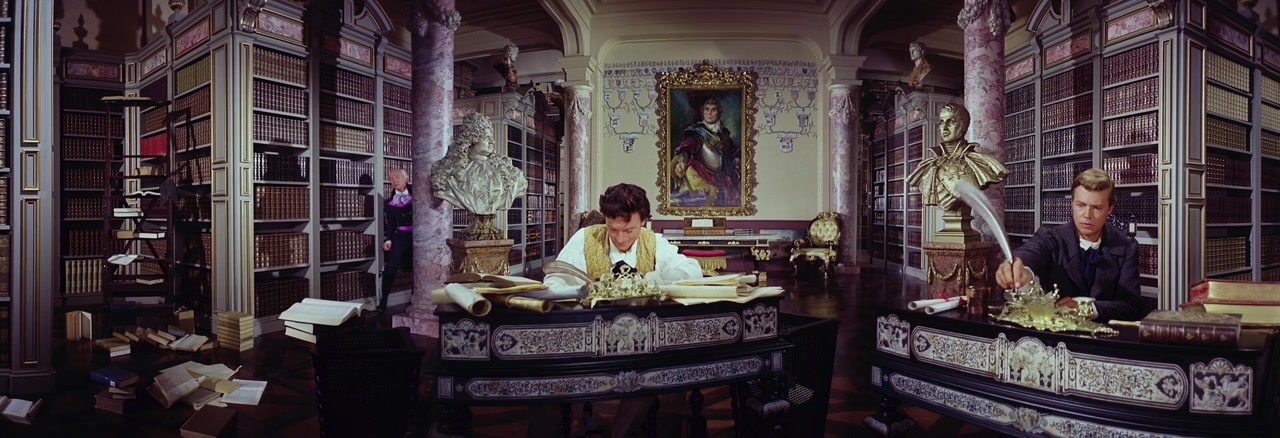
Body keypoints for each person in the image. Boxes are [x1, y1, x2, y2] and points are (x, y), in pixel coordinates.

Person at [540, 183, 702, 437]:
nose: (621, 238)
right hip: (590, 341)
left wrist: (648, 281)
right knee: (547, 381)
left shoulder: (653, 242)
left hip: (640, 345)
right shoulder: (585, 238)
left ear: (644, 222)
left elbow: (692, 271)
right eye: (613, 229)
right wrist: (583, 290)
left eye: (629, 230)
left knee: (652, 379)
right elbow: (553, 282)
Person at [995, 169, 1146, 322]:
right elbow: (1030, 252)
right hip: (1058, 332)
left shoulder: (1127, 247)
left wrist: (1086, 308)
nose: (1087, 215)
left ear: (1110, 209)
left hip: (1105, 333)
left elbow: (1132, 307)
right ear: (1072, 203)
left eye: (1096, 208)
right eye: (1081, 205)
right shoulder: (1050, 237)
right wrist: (1020, 267)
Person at [905, 102, 1007, 213]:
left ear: (963, 126)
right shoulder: (929, 165)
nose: (944, 128)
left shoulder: (980, 162)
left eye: (951, 122)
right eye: (941, 122)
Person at [431, 112, 528, 216]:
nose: (492, 142)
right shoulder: (453, 173)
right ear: (472, 139)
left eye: (491, 138)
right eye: (487, 138)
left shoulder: (506, 170)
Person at [672, 97, 741, 206]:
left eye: (713, 110)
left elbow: (734, 152)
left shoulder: (724, 135)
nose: (709, 113)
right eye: (706, 109)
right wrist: (681, 161)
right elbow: (686, 147)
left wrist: (737, 162)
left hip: (721, 181)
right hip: (700, 178)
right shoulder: (696, 133)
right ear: (702, 112)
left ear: (719, 113)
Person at [380, 168, 413, 312]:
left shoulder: (417, 195)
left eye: (397, 177)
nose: (394, 181)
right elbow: (391, 224)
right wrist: (388, 240)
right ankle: (383, 302)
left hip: (417, 238)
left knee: (417, 269)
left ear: (406, 179)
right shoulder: (389, 203)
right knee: (390, 269)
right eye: (391, 179)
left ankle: (414, 300)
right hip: (400, 237)